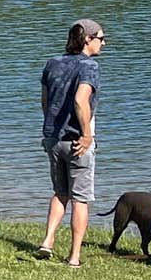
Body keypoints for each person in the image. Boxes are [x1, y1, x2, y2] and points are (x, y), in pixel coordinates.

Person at [36, 17, 105, 265]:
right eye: (100, 38)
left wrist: (52, 129)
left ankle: (47, 241)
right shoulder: (90, 67)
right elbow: (80, 100)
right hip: (77, 142)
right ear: (87, 39)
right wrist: (86, 135)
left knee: (60, 193)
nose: (103, 43)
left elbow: (45, 101)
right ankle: (74, 257)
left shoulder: (52, 63)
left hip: (53, 139)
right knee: (81, 199)